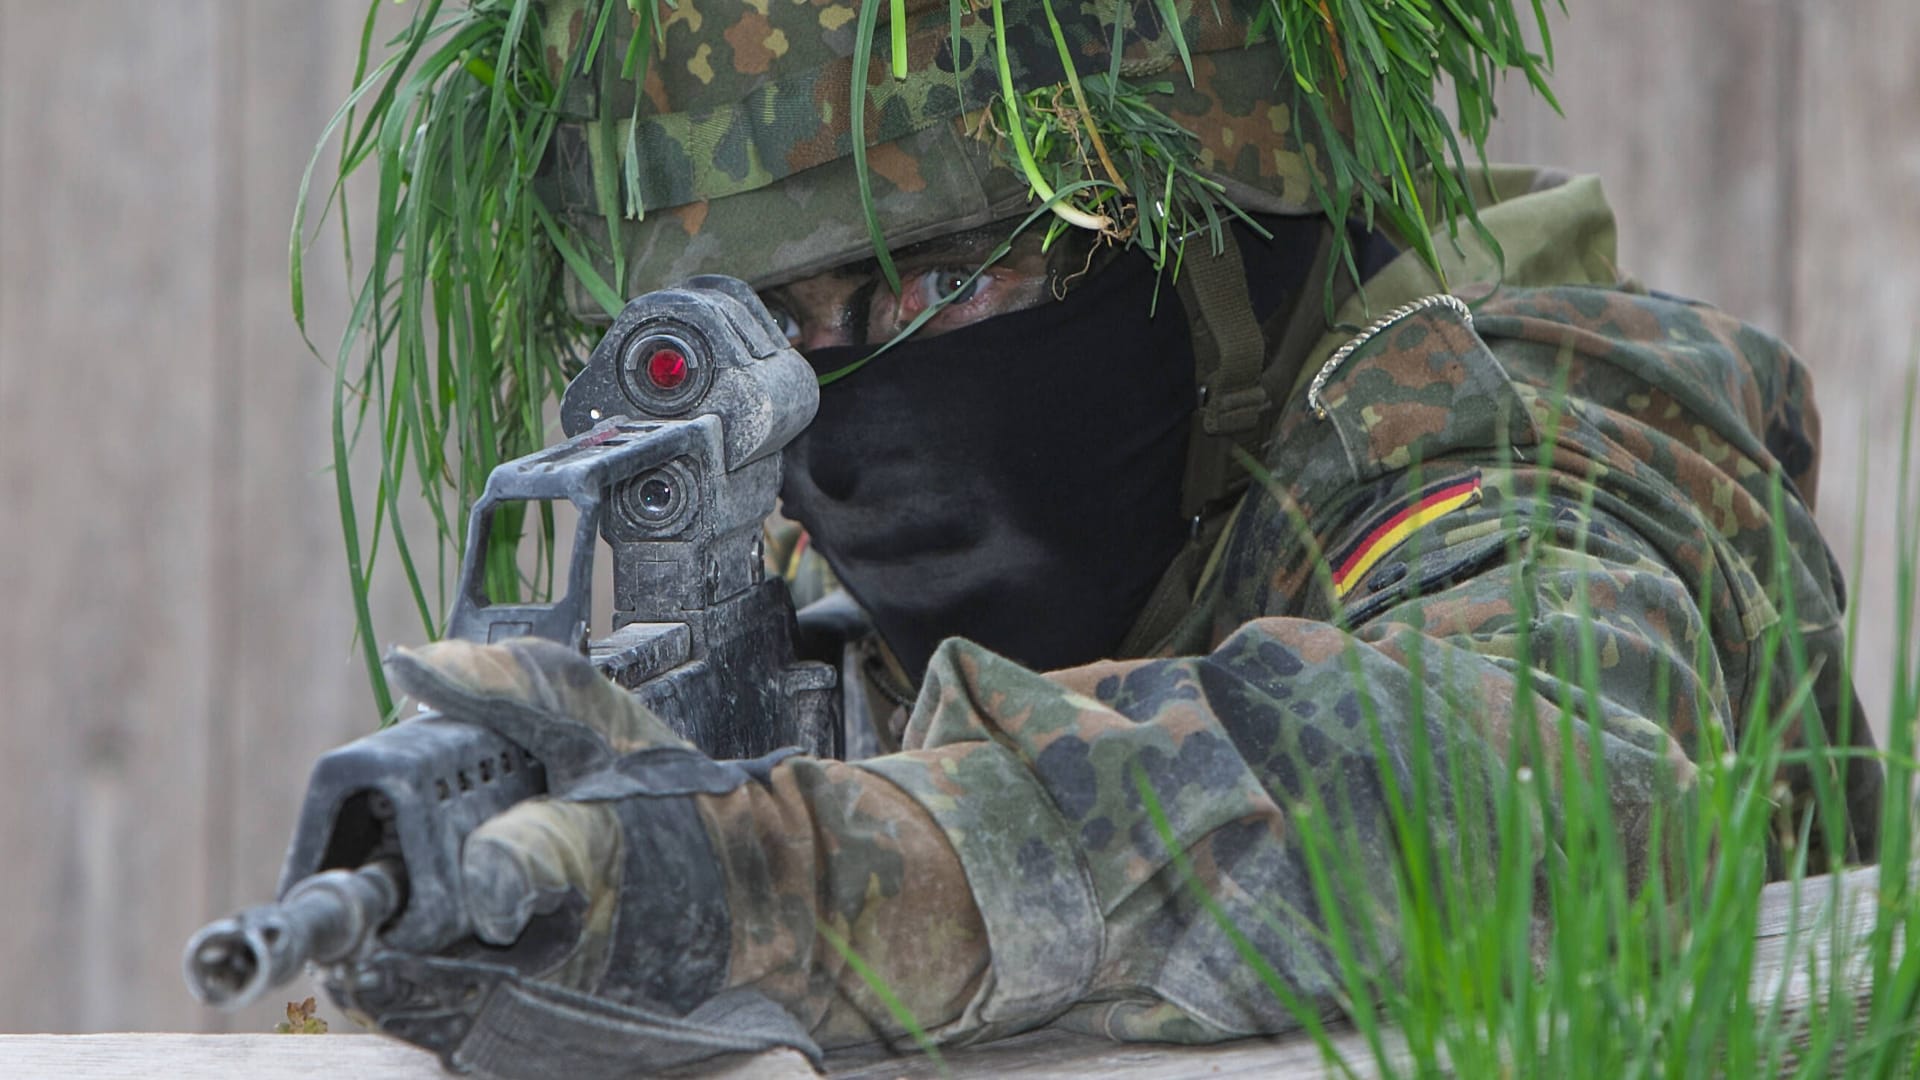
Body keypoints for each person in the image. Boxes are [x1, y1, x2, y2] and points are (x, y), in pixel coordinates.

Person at [337, 0, 1882, 1070]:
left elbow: (1538, 768)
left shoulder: (1518, 427)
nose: (850, 398)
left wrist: (802, 878)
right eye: (773, 329)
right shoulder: (814, 587)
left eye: (938, 283)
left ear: (1209, 235)